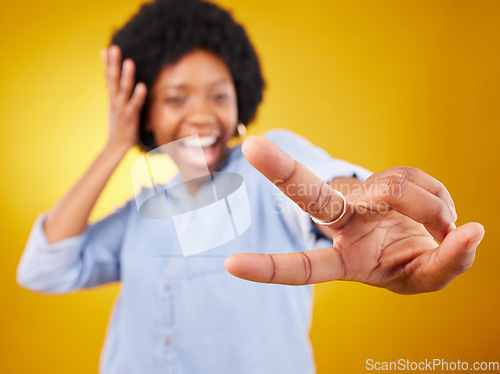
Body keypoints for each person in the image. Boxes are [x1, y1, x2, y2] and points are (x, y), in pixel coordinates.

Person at [16, 0, 484, 373]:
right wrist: (114, 145)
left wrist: (355, 201)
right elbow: (43, 269)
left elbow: (318, 187)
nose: (201, 114)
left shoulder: (263, 167)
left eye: (219, 94)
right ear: (146, 118)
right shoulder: (140, 213)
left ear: (241, 100)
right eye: (175, 98)